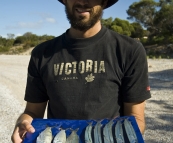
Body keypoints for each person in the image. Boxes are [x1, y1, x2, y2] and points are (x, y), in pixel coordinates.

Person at [11, 0, 151, 142]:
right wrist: (22, 123)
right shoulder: (42, 54)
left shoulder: (129, 50)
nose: (83, 1)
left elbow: (136, 119)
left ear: (103, 2)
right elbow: (32, 112)